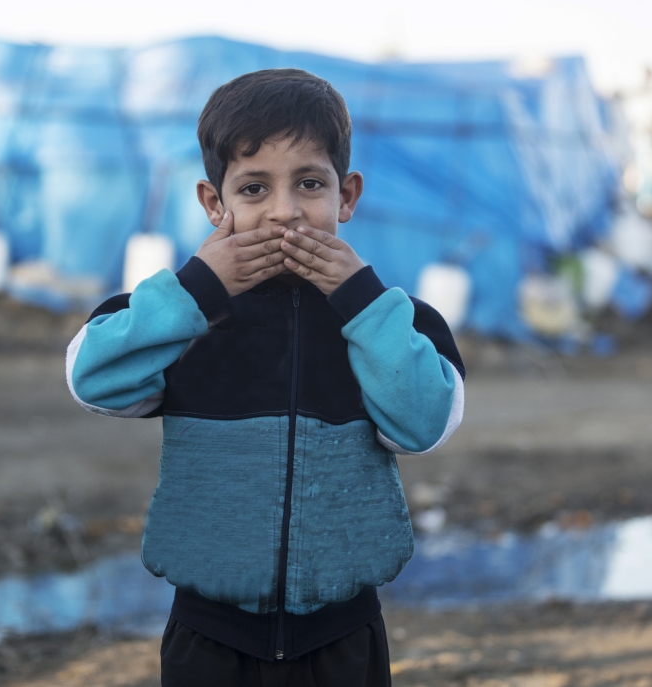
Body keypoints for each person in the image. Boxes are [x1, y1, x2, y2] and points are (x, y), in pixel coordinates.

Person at [66, 68, 465, 687]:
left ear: (346, 196)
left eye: (310, 183)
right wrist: (197, 290)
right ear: (214, 204)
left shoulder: (391, 321)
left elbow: (423, 425)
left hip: (342, 636)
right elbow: (92, 378)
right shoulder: (185, 316)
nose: (285, 212)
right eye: (254, 188)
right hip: (209, 636)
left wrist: (362, 304)